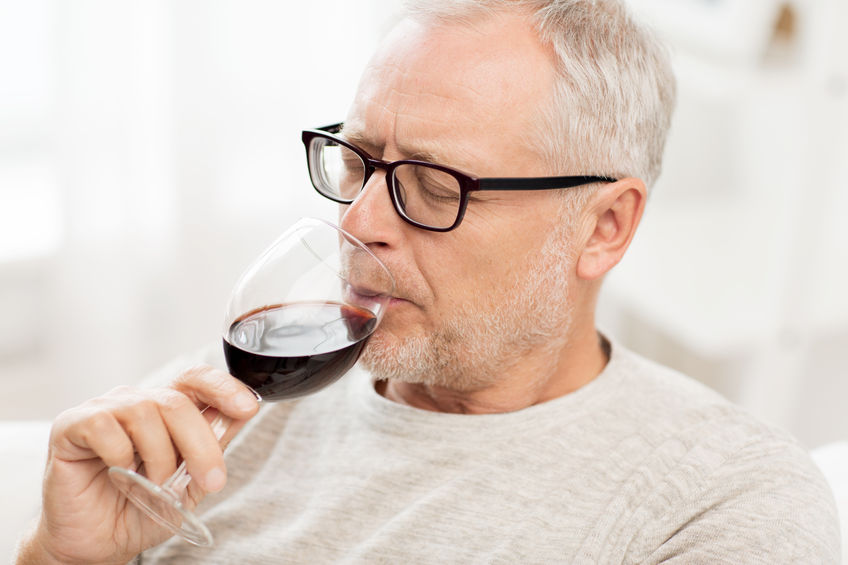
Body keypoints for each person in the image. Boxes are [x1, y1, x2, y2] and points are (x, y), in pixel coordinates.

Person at [15, 0, 841, 563]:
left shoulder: (719, 502)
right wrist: (58, 551)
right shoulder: (228, 412)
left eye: (436, 185)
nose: (360, 221)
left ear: (605, 227)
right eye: (360, 161)